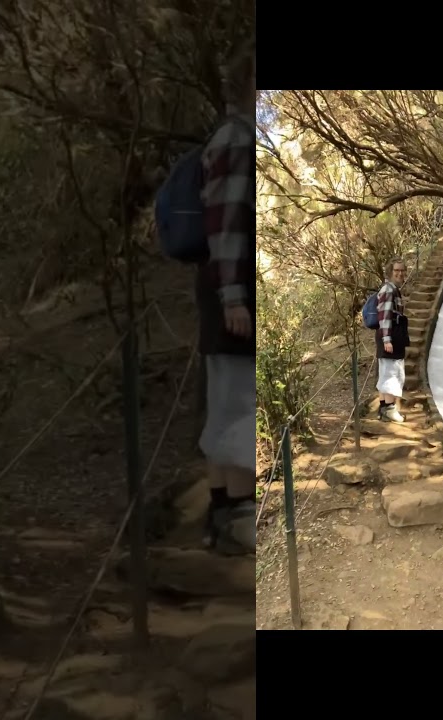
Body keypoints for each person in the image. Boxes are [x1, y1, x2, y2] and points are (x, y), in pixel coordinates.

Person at [196, 40, 255, 555]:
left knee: (223, 407)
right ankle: (237, 521)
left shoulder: (227, 136)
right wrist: (236, 298)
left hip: (218, 292)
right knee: (240, 406)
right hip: (232, 293)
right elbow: (228, 227)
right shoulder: (238, 141)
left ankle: (219, 514)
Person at [375, 258, 410, 422]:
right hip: (390, 336)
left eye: (402, 270)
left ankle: (383, 408)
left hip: (389, 336)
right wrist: (387, 339)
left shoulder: (392, 289)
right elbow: (384, 316)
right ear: (390, 271)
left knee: (385, 372)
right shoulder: (389, 290)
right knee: (392, 373)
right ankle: (389, 409)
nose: (400, 273)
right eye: (397, 270)